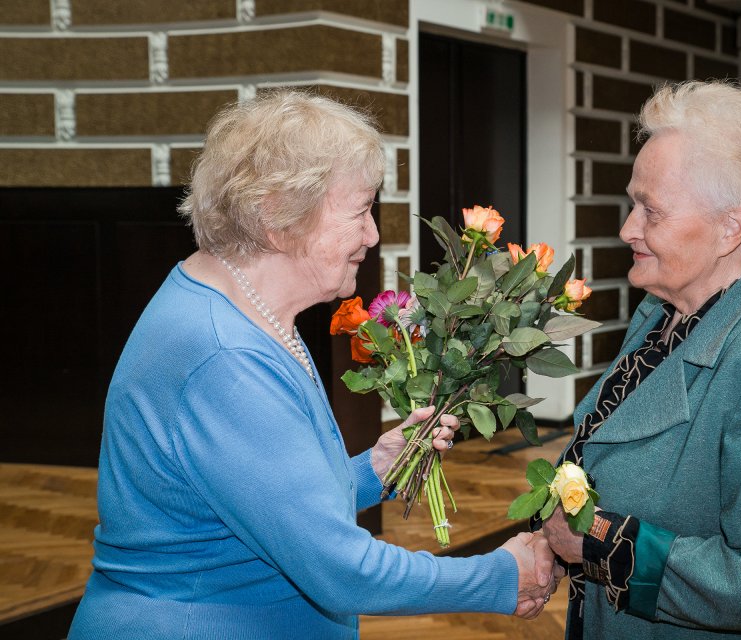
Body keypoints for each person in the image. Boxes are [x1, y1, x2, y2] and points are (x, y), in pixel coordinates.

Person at [68, 90, 561, 639]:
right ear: (279, 215)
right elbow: (339, 571)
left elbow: (258, 509)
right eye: (360, 212)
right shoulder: (225, 357)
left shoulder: (234, 307)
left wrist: (372, 470)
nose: (373, 235)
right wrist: (497, 575)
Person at [541, 80, 741, 639]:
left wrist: (598, 541)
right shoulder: (663, 310)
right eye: (633, 203)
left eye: (651, 212)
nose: (628, 229)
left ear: (731, 228)